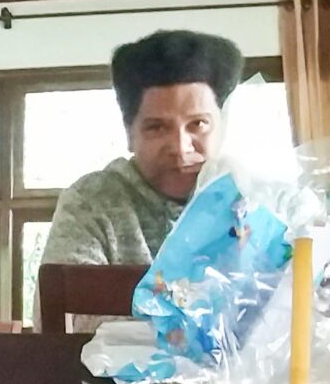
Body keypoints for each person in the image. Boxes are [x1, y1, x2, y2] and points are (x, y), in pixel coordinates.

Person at [41, 29, 244, 268]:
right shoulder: (92, 202)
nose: (180, 148)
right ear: (129, 133)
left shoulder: (251, 197)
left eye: (198, 124)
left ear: (222, 127)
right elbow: (67, 291)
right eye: (157, 127)